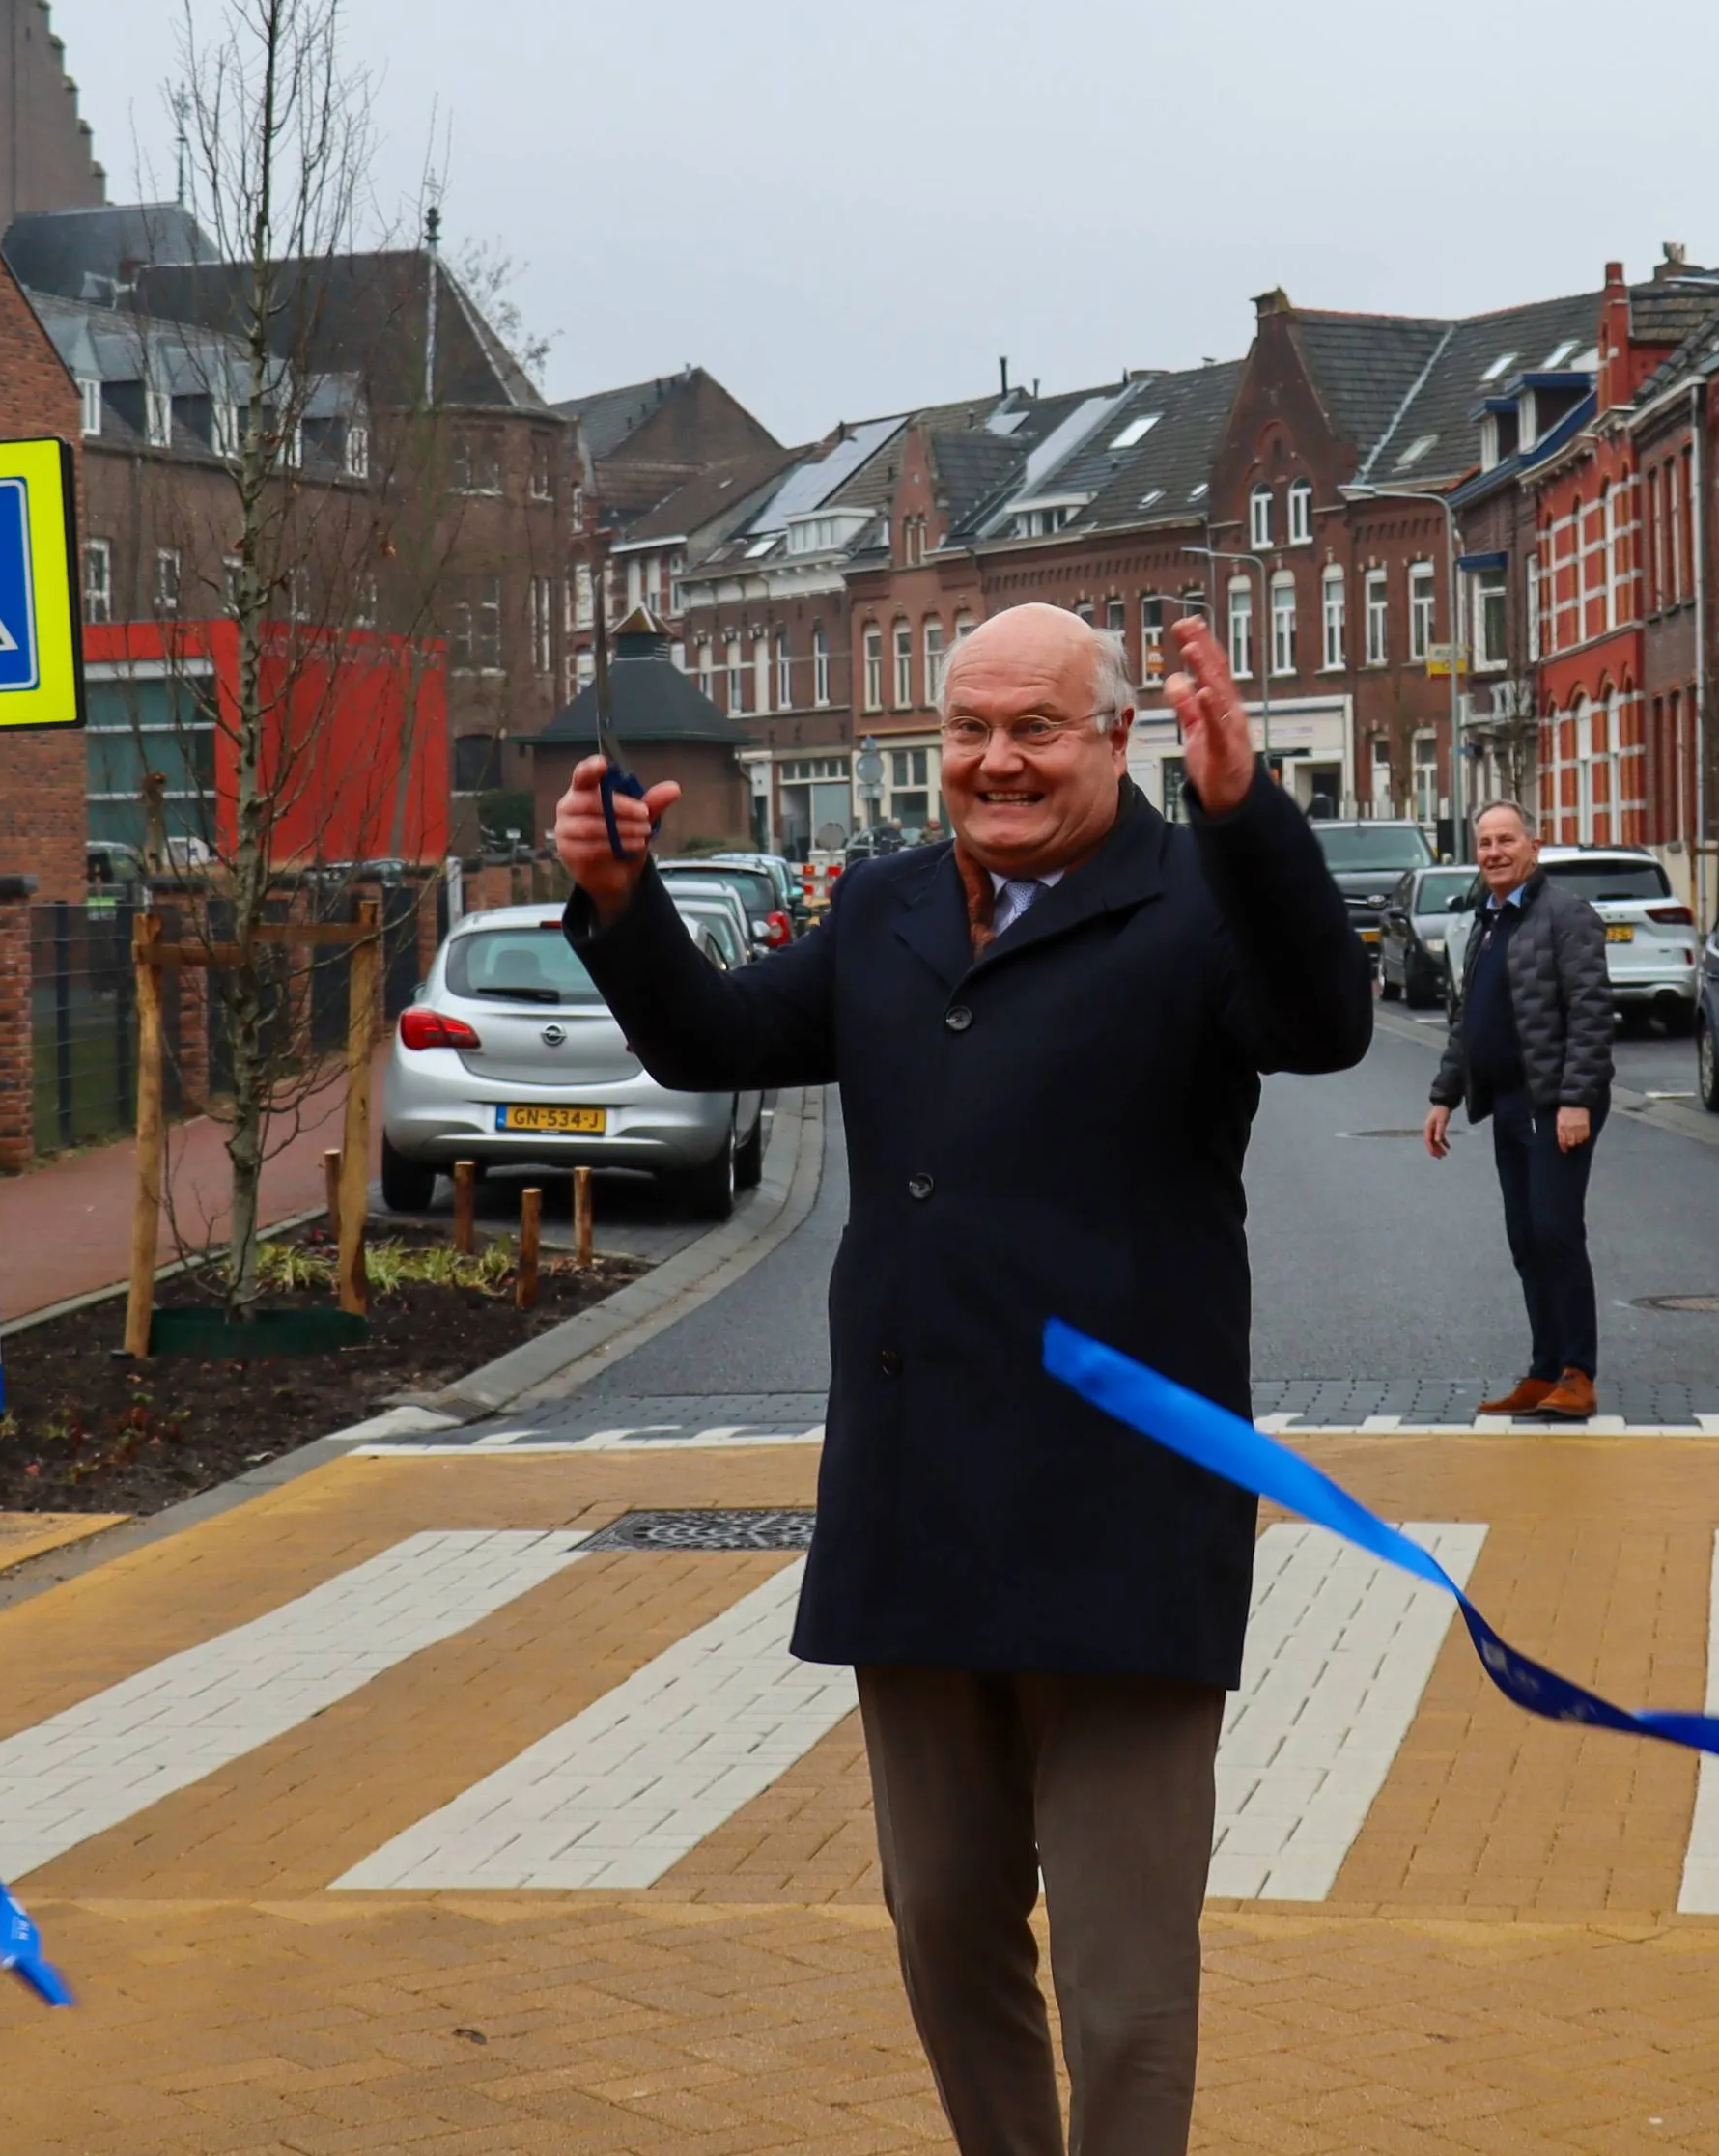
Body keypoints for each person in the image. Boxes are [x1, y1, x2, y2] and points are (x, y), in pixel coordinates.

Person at [552, 602, 1371, 2156]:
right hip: (919, 1505)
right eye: (968, 730)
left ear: (1117, 739)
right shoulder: (886, 908)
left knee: (1127, 1989)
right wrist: (621, 897)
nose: (996, 762)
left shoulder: (1195, 900)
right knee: (941, 1925)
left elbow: (1324, 1022)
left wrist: (1245, 812)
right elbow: (711, 1039)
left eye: (1036, 729)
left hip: (1125, 1519)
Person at [1423, 799, 1614, 1422]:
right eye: (1485, 843)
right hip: (1505, 1103)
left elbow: (1590, 1014)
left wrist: (1576, 1101)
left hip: (1552, 1102)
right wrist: (1443, 1096)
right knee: (1526, 1240)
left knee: (1557, 1234)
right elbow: (1466, 1021)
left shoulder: (1566, 915)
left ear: (1535, 846)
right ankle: (1543, 1370)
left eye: (1507, 840)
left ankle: (1577, 1375)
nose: (1495, 852)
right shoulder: (1487, 921)